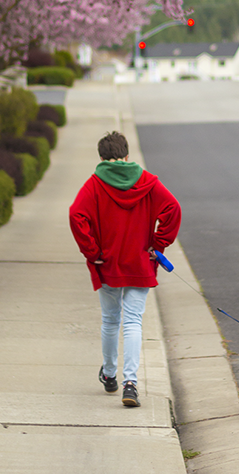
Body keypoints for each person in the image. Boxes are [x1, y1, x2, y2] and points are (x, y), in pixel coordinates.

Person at [69, 130, 181, 407]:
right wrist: (158, 243)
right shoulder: (148, 182)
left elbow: (76, 215)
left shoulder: (94, 184)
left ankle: (109, 375)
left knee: (110, 320)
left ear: (102, 157)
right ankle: (131, 384)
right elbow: (173, 209)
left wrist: (92, 251)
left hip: (108, 264)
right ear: (127, 155)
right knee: (133, 322)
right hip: (140, 262)